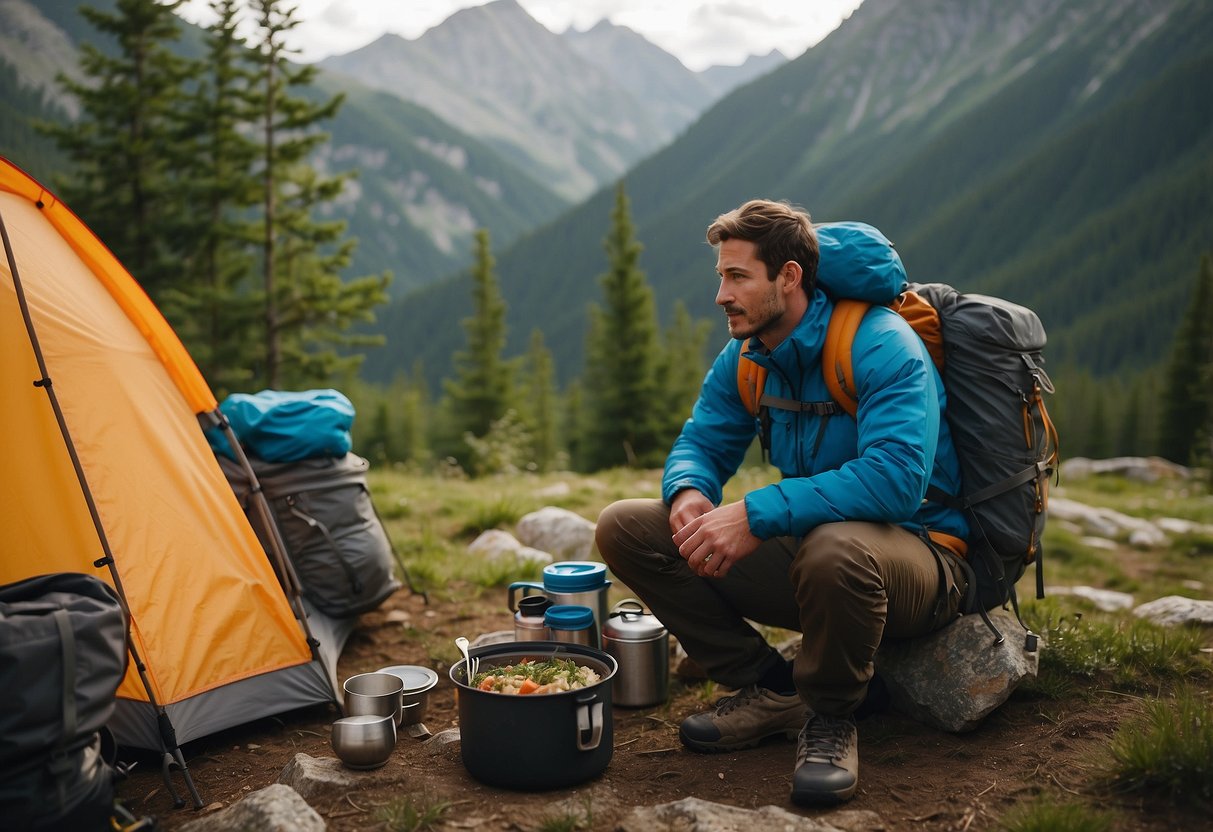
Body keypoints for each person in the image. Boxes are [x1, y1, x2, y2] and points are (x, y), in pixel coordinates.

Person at [595, 198, 970, 806]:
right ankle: (772, 688)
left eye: (737, 275)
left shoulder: (880, 344)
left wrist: (756, 512)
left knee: (835, 549)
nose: (721, 293)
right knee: (627, 527)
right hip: (819, 547)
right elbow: (704, 437)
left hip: (923, 559)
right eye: (720, 275)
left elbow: (896, 480)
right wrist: (689, 490)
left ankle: (831, 715)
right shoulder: (749, 354)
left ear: (789, 277)